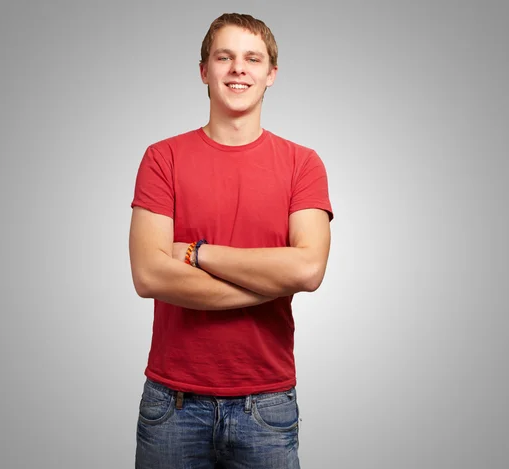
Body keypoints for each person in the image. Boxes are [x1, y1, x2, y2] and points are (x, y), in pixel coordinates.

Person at [129, 12, 333, 469]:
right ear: (205, 70)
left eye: (252, 58)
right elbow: (148, 274)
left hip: (267, 404)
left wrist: (197, 253)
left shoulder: (303, 164)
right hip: (173, 403)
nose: (238, 68)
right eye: (225, 57)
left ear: (270, 74)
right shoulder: (162, 159)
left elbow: (307, 270)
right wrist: (267, 281)